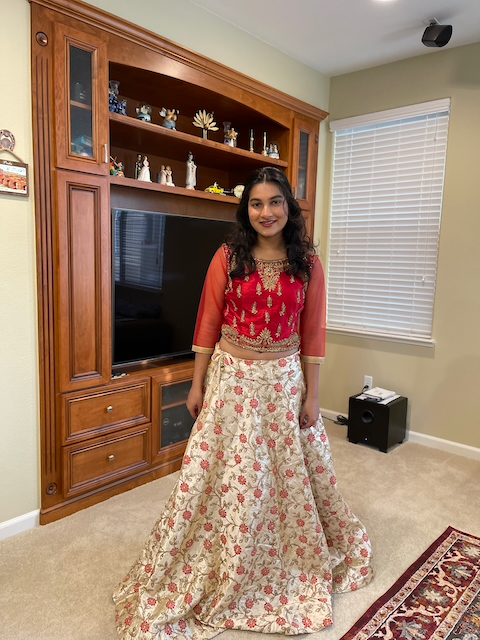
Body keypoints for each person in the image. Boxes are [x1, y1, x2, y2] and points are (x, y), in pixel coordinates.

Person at [113, 167, 373, 639]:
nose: (266, 212)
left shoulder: (307, 262)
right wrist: (197, 384)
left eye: (276, 202)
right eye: (257, 203)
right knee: (227, 474)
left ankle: (283, 558)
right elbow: (207, 321)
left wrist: (314, 395)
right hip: (232, 379)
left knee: (287, 475)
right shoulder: (228, 256)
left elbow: (313, 332)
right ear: (245, 209)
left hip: (284, 383)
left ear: (289, 207)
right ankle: (223, 555)